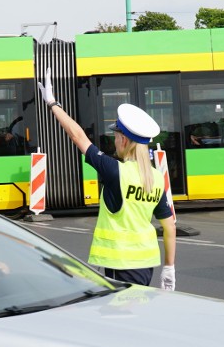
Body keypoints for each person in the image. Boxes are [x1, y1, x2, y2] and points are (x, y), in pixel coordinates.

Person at [38, 67, 177, 291]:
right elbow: (169, 225)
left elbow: (77, 136)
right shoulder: (156, 177)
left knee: (123, 318)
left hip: (120, 263)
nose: (114, 141)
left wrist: (53, 104)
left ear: (123, 140)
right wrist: (169, 267)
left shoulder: (115, 171)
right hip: (146, 263)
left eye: (116, 136)